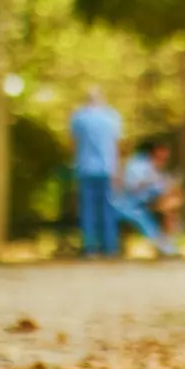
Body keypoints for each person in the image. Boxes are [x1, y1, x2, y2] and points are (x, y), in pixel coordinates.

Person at [68, 87, 123, 258]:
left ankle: (89, 248)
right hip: (107, 169)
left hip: (85, 169)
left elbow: (73, 144)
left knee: (88, 210)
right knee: (108, 209)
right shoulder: (112, 117)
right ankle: (110, 247)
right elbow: (116, 146)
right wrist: (118, 171)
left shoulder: (79, 117)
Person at [116, 141, 179, 256]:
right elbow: (131, 186)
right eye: (162, 156)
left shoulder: (153, 167)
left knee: (172, 202)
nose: (164, 160)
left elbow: (158, 187)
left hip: (147, 202)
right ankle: (165, 245)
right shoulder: (137, 165)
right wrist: (152, 181)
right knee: (169, 205)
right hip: (132, 203)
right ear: (154, 152)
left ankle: (167, 243)